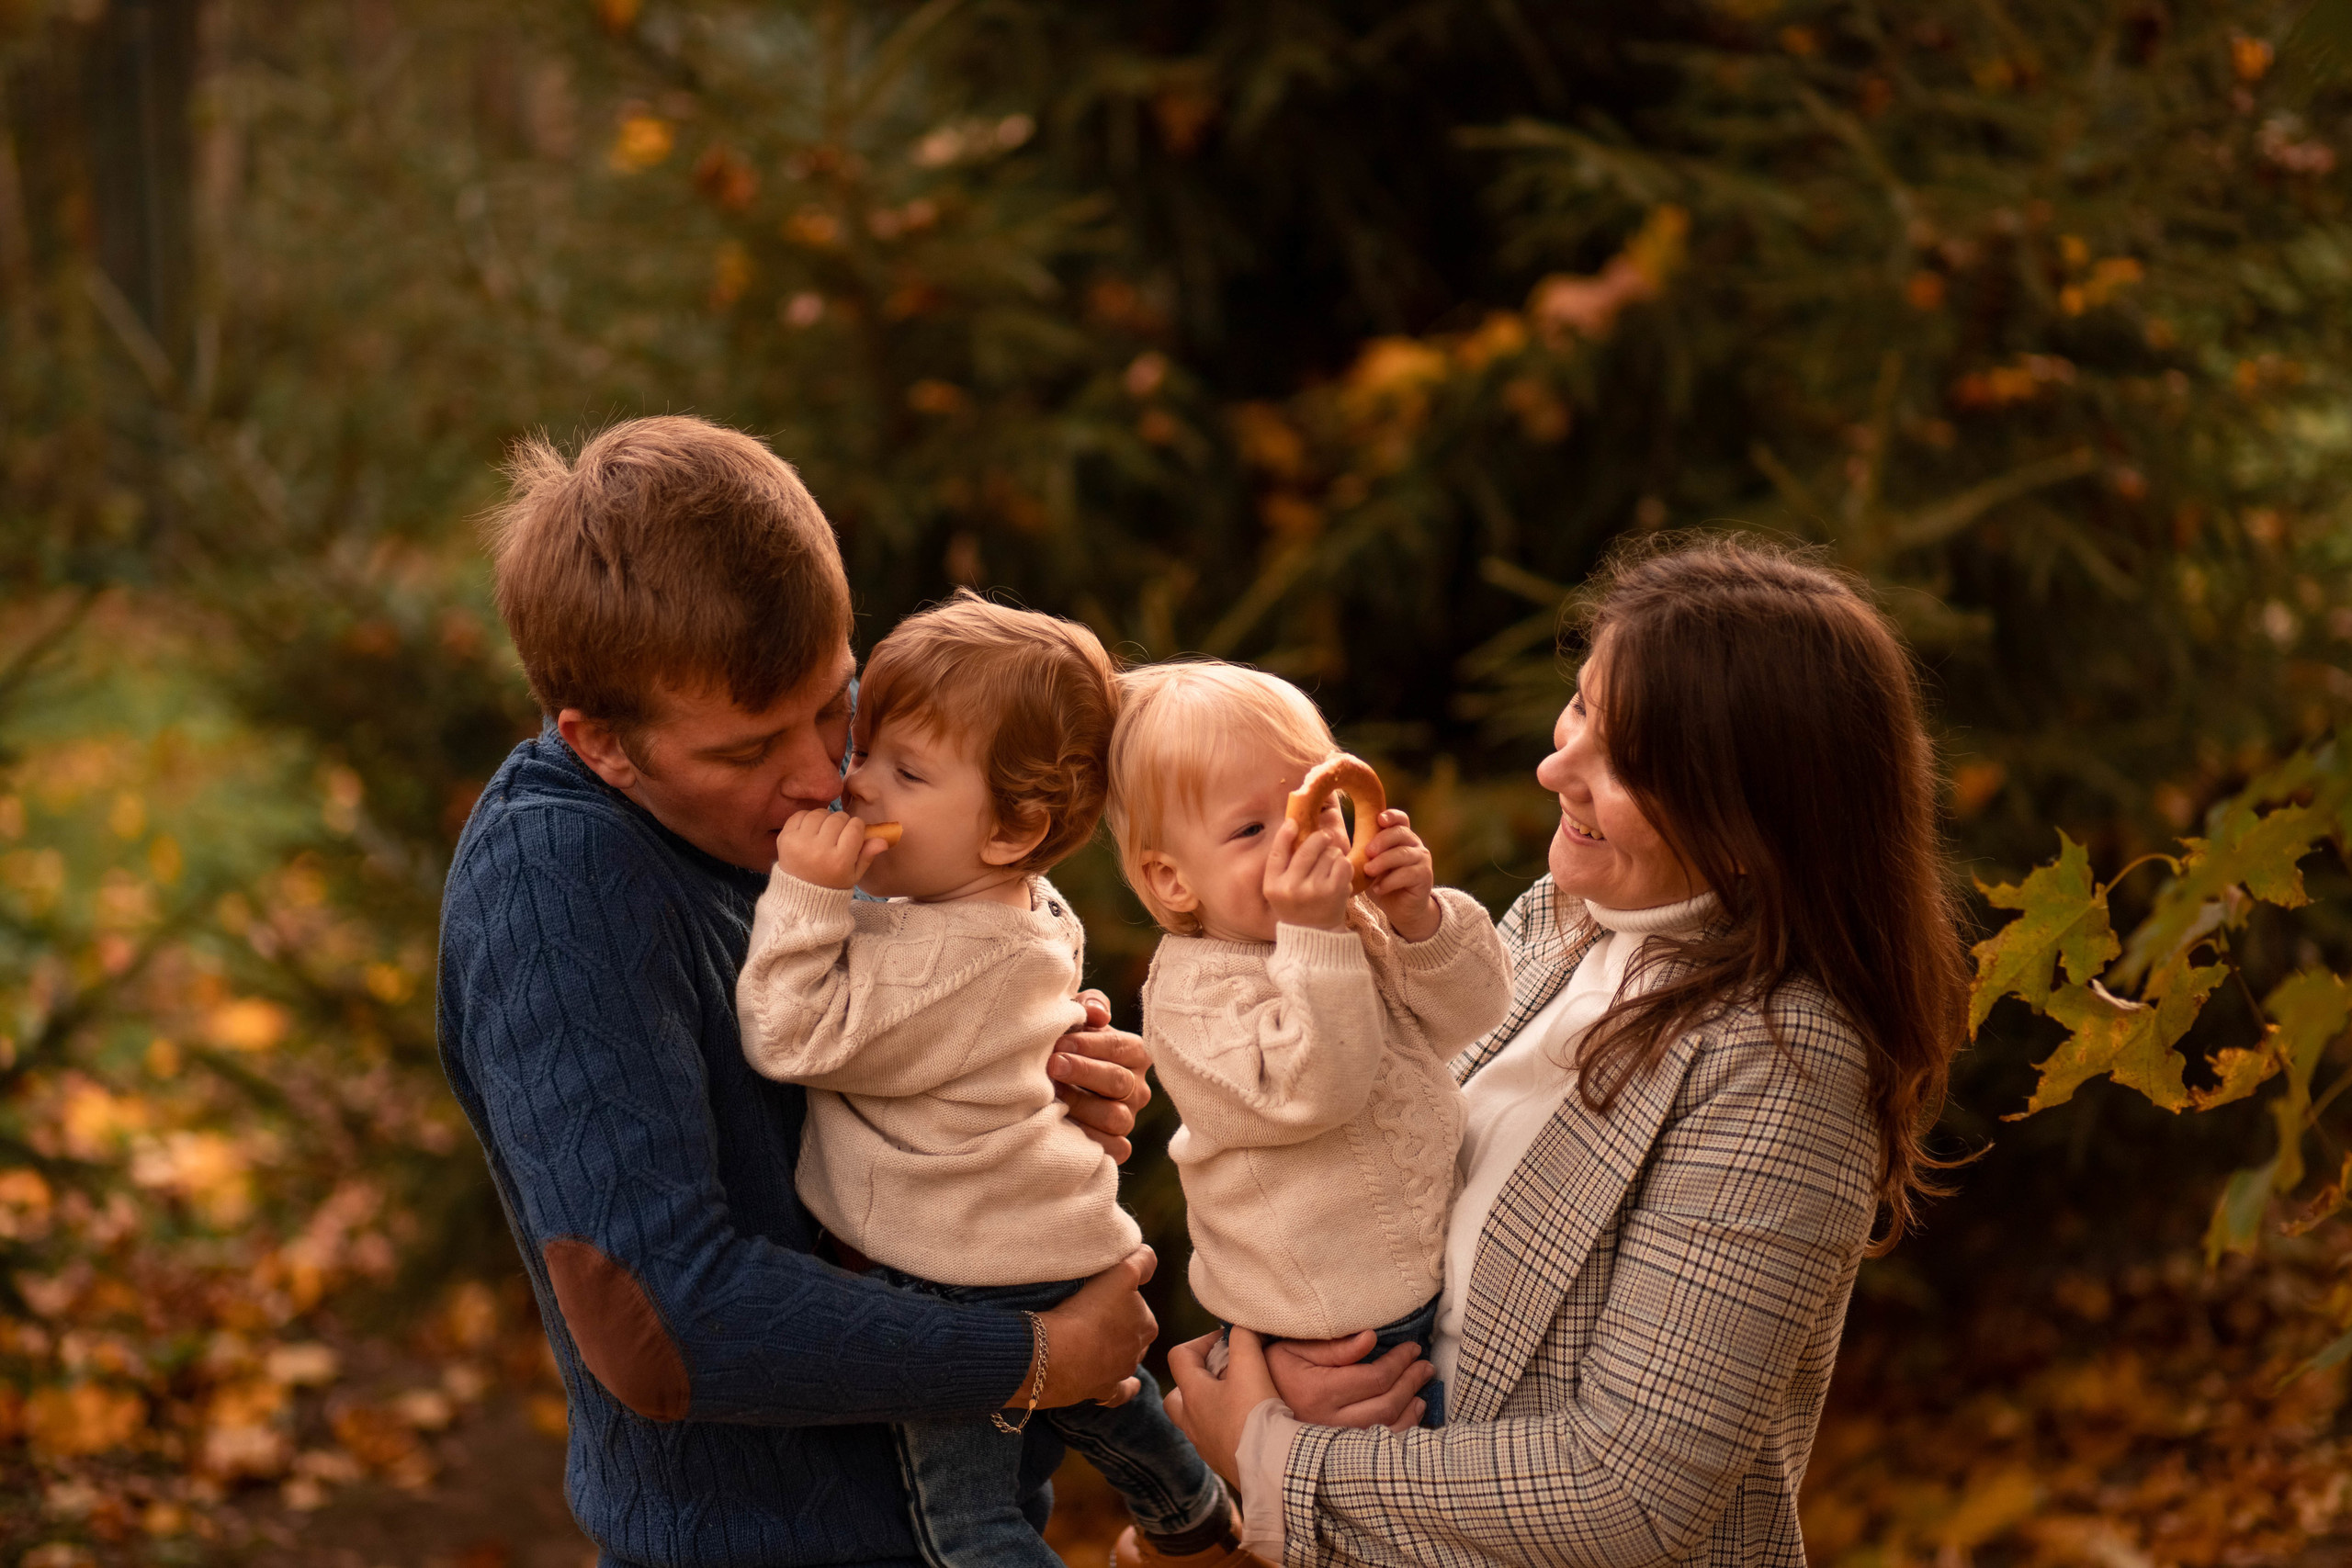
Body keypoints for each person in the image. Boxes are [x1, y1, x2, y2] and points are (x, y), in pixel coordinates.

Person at [436, 417, 1160, 1567]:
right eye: (746, 751)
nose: (825, 777)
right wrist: (1033, 1358)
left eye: (837, 704)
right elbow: (660, 1321)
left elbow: (858, 1061)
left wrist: (1016, 1084)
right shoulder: (557, 889)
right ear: (602, 744)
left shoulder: (794, 804)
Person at [1163, 538, 1968, 1568]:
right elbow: (1344, 1173)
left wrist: (1276, 1454)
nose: (1555, 767)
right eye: (1582, 706)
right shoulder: (1561, 919)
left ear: (1752, 807)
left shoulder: (1784, 1058)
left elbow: (1627, 1494)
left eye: (1626, 759)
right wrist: (1286, 1370)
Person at [735, 594, 1236, 1567]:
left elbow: (789, 1034)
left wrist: (803, 894)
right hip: (1038, 1237)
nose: (856, 786)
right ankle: (1192, 1513)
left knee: (961, 1527)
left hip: (957, 1273)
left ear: (1012, 829)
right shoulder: (1020, 907)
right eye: (866, 749)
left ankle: (1182, 1514)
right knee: (1102, 1404)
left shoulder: (941, 959)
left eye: (907, 772)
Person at [1104, 663, 1510, 1427]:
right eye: (1253, 829)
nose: (1308, 839)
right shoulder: (1193, 996)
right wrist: (1318, 937)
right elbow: (1316, 1090)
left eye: (1319, 806)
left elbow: (1474, 1010)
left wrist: (1420, 918)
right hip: (1327, 1339)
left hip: (1439, 1285)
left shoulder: (1352, 924)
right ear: (1173, 880)